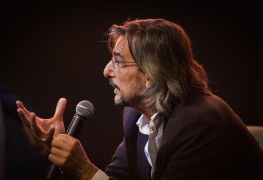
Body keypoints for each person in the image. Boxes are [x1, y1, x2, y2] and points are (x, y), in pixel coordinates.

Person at [16, 18, 263, 180]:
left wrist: (84, 169)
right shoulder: (138, 114)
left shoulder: (201, 126)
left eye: (118, 61)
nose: (106, 70)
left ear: (151, 74)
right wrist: (63, 150)